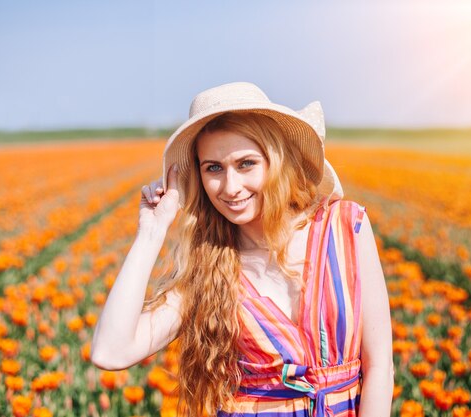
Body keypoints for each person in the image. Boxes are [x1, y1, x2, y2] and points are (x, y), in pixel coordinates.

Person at [91, 82, 394, 417]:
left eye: (246, 163)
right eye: (214, 168)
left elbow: (380, 364)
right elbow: (111, 352)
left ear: (274, 160)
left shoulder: (345, 227)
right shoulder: (209, 268)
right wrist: (151, 232)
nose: (231, 187)